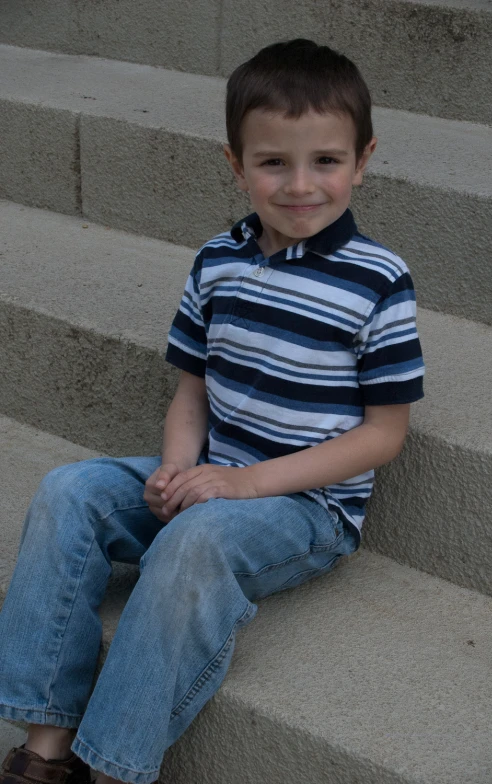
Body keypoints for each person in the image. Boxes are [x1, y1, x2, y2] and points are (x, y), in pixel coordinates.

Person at [0, 38, 424, 784]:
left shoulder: (378, 281)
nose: (300, 185)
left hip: (304, 506)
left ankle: (115, 767)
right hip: (212, 473)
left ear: (361, 160)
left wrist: (243, 485)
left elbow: (383, 435)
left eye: (325, 161)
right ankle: (43, 751)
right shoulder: (215, 261)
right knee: (71, 489)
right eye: (272, 163)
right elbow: (191, 389)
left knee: (195, 539)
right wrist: (175, 465)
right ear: (235, 164)